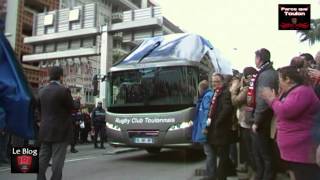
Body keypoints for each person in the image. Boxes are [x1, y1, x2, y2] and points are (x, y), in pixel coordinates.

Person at [260, 66, 320, 180]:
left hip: (302, 151)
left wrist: (271, 99)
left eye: (280, 79)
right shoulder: (291, 92)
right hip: (294, 151)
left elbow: (285, 112)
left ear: (288, 79)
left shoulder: (302, 91)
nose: (279, 82)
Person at [37, 66, 74, 180]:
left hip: (44, 129)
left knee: (43, 157)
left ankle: (40, 177)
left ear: (50, 76)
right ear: (61, 77)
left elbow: (39, 109)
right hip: (60, 130)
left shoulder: (41, 91)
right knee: (58, 159)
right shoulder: (64, 90)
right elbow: (71, 107)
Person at [249, 48, 278, 180]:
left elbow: (263, 100)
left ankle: (266, 177)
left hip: (264, 119)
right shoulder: (267, 72)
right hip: (264, 116)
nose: (254, 60)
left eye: (255, 58)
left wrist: (256, 120)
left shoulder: (266, 75)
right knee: (262, 152)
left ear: (260, 59)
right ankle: (261, 175)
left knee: (264, 153)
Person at [207, 73, 235, 180]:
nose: (214, 84)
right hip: (215, 129)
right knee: (220, 154)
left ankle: (222, 177)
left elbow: (226, 109)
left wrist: (217, 121)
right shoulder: (215, 92)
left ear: (222, 82)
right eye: (213, 82)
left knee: (223, 155)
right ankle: (223, 174)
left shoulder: (225, 93)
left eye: (217, 81)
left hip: (222, 129)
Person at [229, 67, 258, 175]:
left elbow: (235, 101)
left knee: (249, 149)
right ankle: (250, 170)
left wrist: (233, 90)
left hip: (247, 122)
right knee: (247, 149)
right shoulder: (248, 88)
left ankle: (253, 172)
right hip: (245, 121)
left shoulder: (246, 89)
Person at [192, 80, 215, 179]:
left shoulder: (207, 97)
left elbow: (206, 113)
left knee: (209, 153)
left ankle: (211, 175)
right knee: (210, 153)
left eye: (199, 89)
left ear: (201, 89)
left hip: (206, 130)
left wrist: (205, 127)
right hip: (205, 128)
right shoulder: (207, 96)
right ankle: (211, 173)